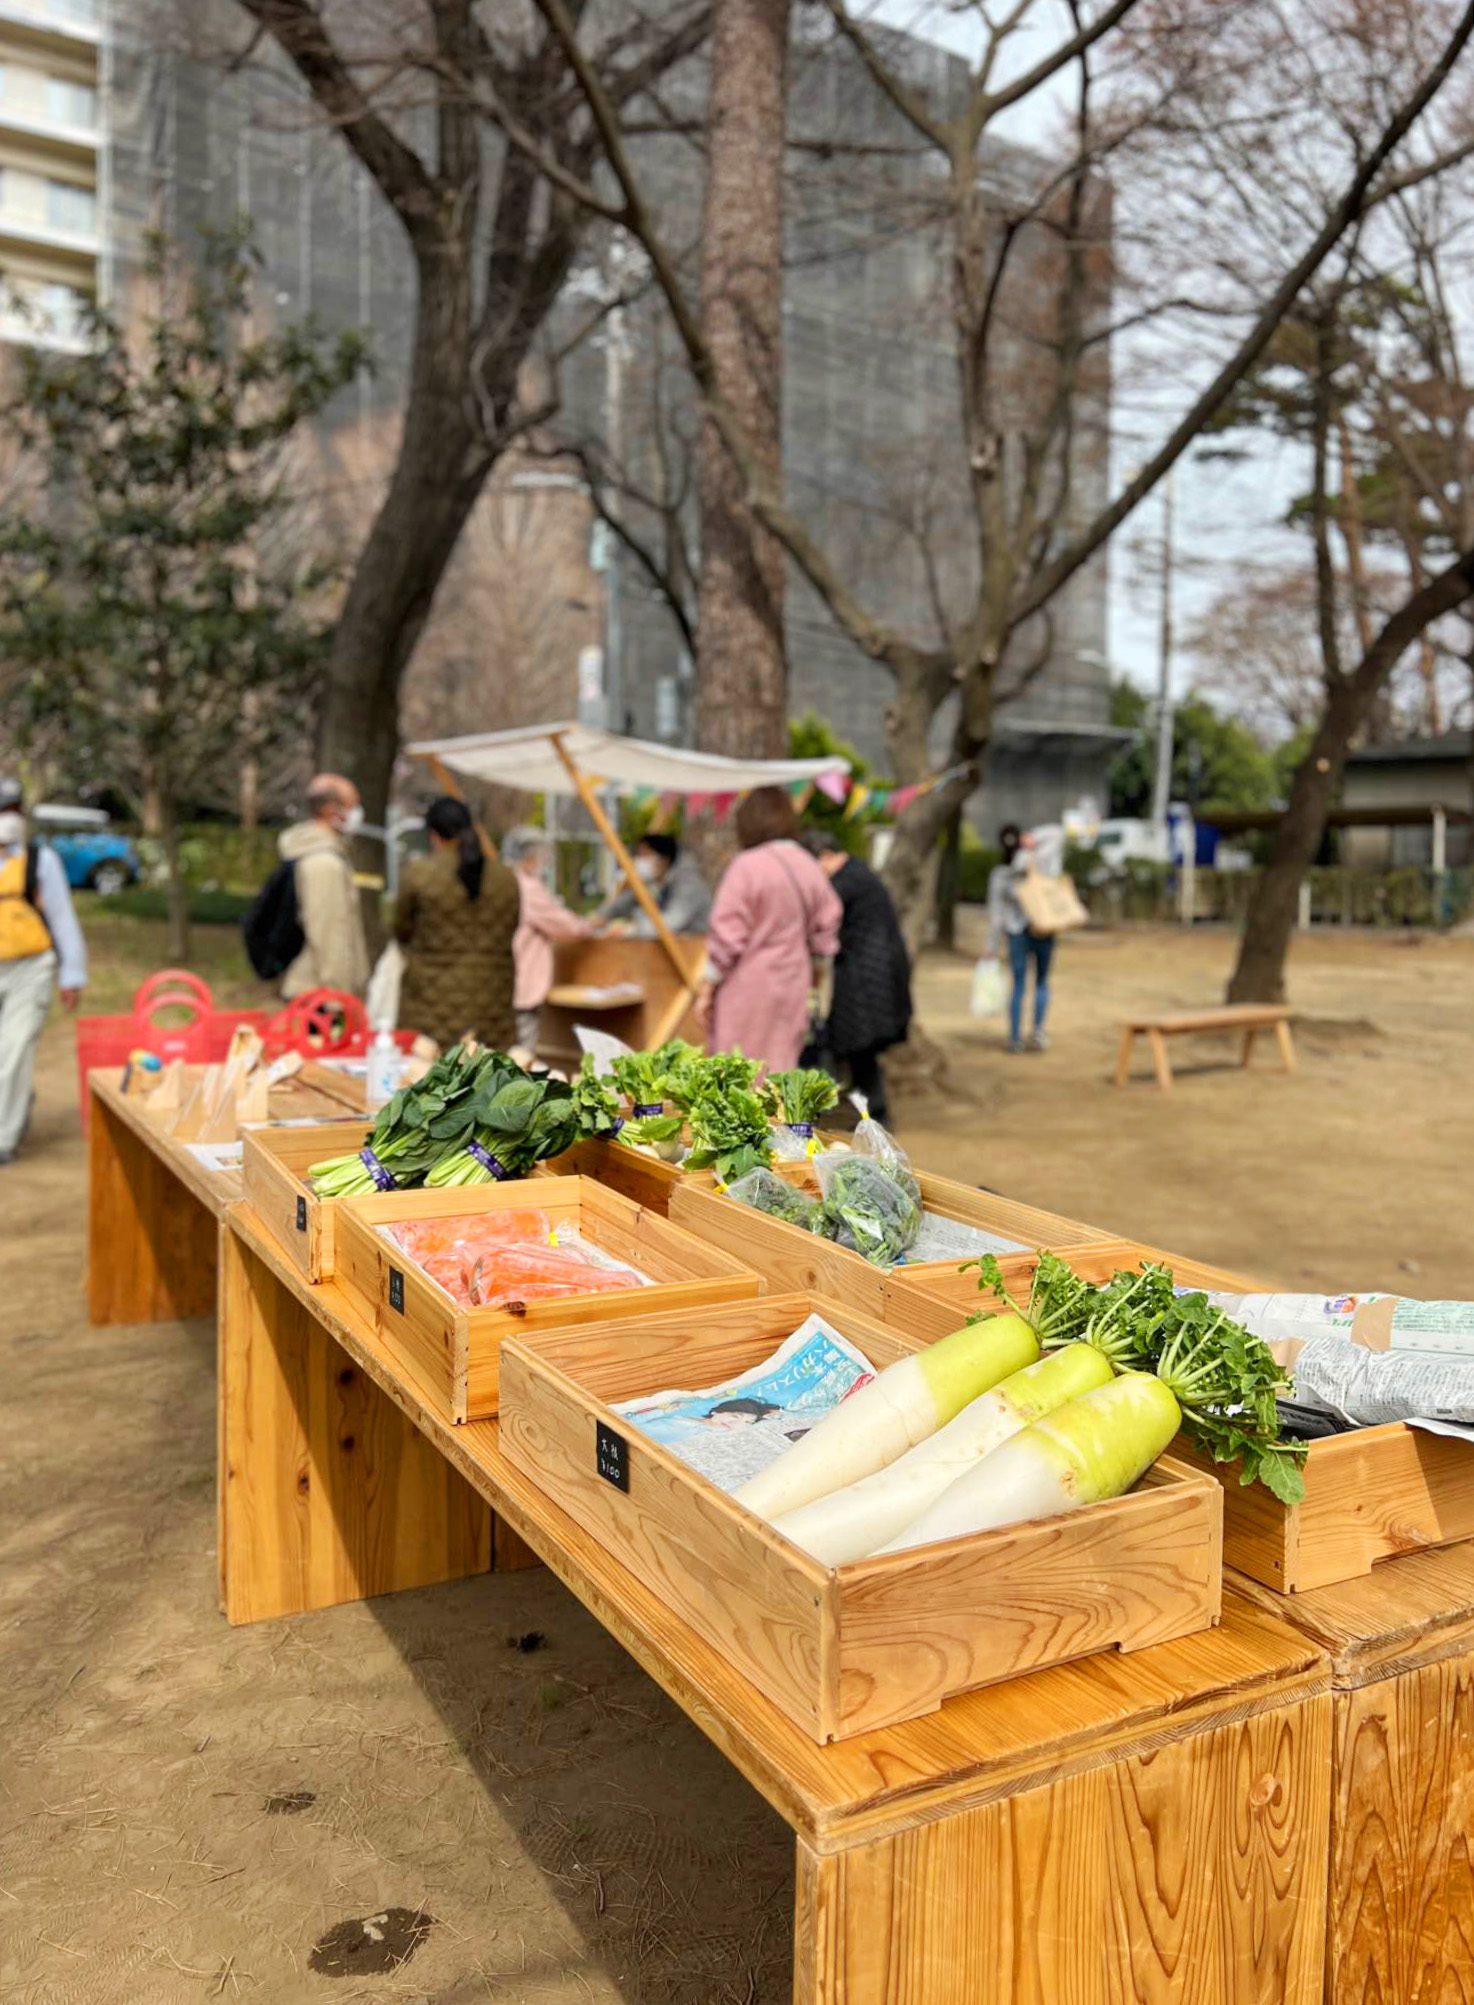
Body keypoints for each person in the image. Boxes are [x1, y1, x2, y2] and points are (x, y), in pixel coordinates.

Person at [698, 787, 841, 1071]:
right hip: (794, 982)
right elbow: (826, 927)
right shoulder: (809, 866)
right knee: (781, 1070)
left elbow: (728, 936)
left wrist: (707, 986)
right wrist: (816, 969)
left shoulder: (746, 866)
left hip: (748, 985)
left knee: (739, 1074)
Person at [0, 775, 86, 1166]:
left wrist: (72, 975)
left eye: (12, 809)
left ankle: (3, 1137)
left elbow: (63, 918)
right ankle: (15, 1101)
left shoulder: (40, 860)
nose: (7, 818)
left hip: (31, 967)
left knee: (15, 1049)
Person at [801, 829, 911, 1122]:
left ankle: (873, 1114)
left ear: (825, 856)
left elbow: (816, 920)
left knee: (857, 1045)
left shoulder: (845, 882)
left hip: (866, 975)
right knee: (858, 1046)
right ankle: (867, 1112)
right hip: (874, 971)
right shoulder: (858, 872)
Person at [393, 797, 520, 1050]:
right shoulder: (506, 878)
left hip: (430, 1003)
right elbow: (513, 926)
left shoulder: (419, 875)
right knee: (490, 1078)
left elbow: (401, 929)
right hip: (493, 1003)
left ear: (433, 834)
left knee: (429, 1078)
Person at [278, 773, 370, 998]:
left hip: (314, 990)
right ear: (330, 809)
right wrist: (339, 1000)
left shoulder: (318, 853)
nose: (357, 813)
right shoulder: (324, 863)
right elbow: (329, 933)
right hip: (319, 994)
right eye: (352, 806)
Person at [506, 826, 595, 1051]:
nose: (543, 861)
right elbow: (563, 925)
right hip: (523, 982)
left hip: (506, 979)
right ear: (529, 856)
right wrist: (590, 925)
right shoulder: (527, 887)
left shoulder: (505, 881)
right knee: (521, 1053)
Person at [987, 821, 1064, 1054]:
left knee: (1018, 984)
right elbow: (1058, 833)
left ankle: (1015, 1038)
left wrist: (991, 945)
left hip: (1015, 932)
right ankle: (1038, 1032)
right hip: (1043, 929)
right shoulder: (1041, 860)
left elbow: (996, 913)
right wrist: (1033, 838)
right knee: (1041, 981)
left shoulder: (1001, 874)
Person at [598, 831, 710, 937]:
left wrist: (631, 929)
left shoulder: (689, 885)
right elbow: (629, 900)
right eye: (638, 855)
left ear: (663, 860)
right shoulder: (657, 882)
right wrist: (601, 916)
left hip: (694, 950)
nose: (639, 861)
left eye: (645, 855)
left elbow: (670, 922)